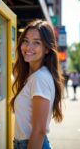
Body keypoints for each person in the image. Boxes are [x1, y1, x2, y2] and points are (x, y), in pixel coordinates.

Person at [11, 19, 64, 149]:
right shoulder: (35, 76)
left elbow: (39, 130)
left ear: (47, 49)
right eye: (26, 41)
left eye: (36, 43)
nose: (28, 47)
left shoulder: (39, 78)